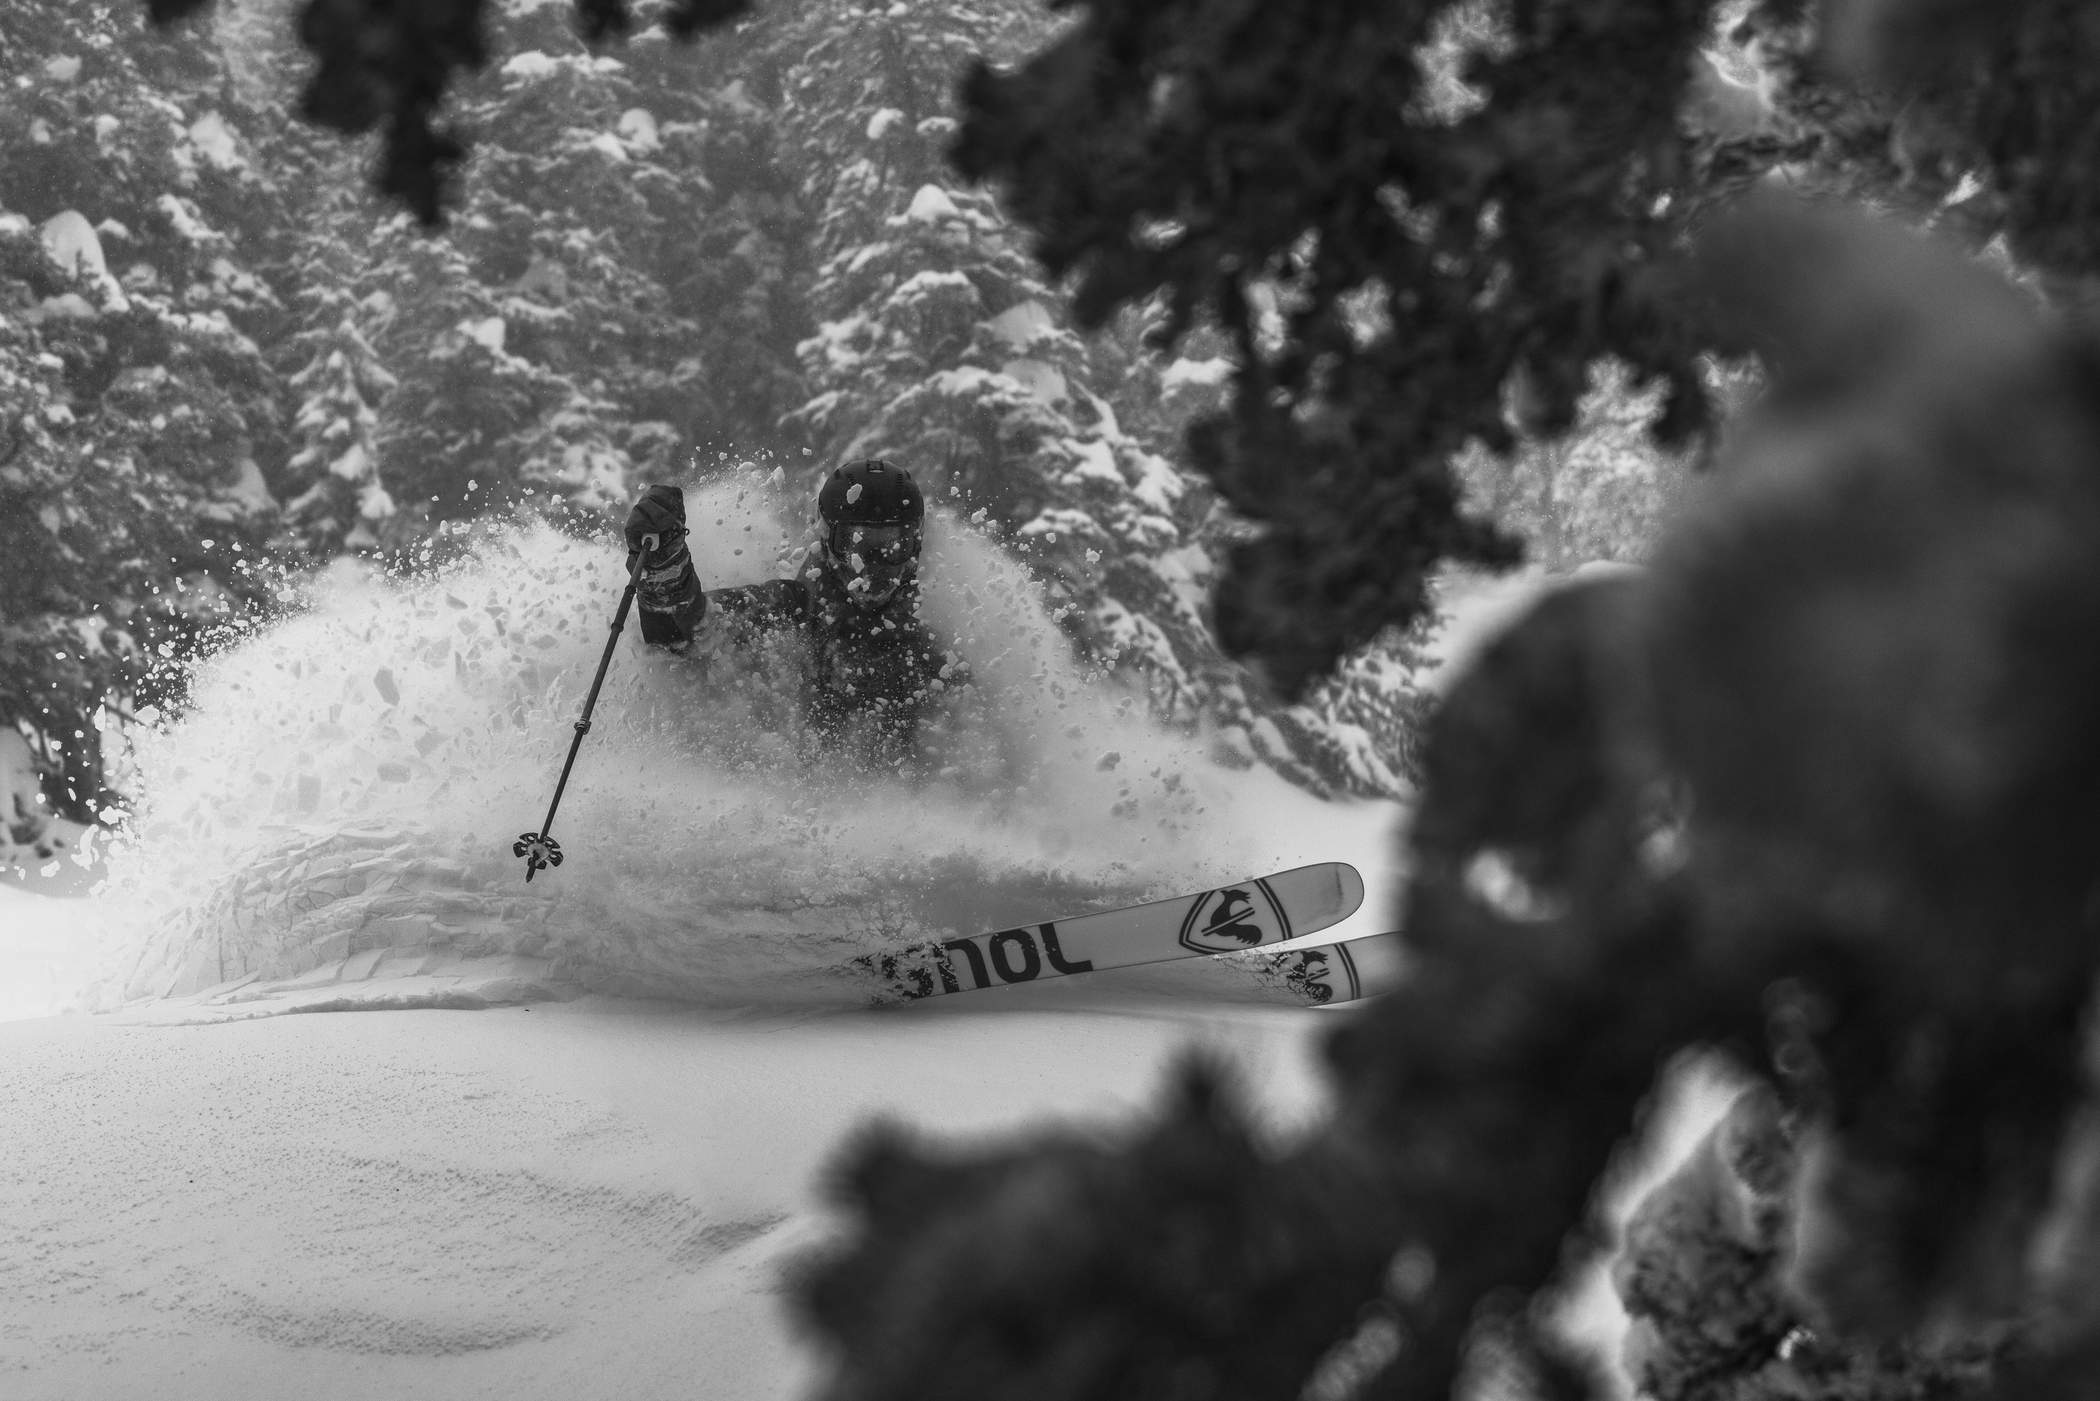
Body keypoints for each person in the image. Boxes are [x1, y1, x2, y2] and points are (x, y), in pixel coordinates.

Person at [623, 459, 969, 770]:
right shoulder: (790, 612)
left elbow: (987, 772)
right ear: (829, 540)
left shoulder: (932, 656)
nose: (875, 565)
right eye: (860, 545)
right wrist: (667, 574)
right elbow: (689, 634)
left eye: (894, 545)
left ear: (916, 548)